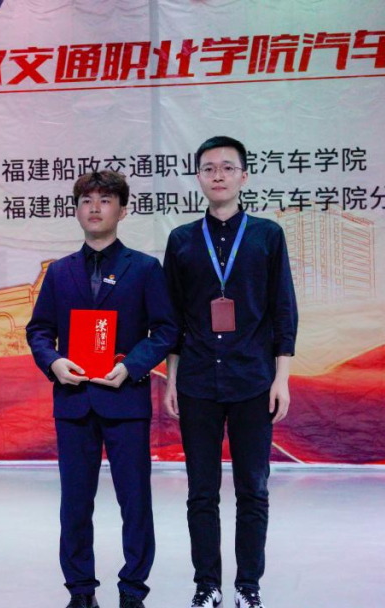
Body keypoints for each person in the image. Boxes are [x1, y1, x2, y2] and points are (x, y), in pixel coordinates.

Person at [26, 171, 178, 608]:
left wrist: (131, 366)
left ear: (123, 210)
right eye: (86, 200)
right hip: (74, 401)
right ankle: (81, 591)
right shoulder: (59, 272)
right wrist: (54, 362)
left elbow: (165, 329)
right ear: (75, 210)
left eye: (106, 200)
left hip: (124, 399)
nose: (95, 207)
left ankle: (133, 590)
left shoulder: (144, 268)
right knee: (75, 503)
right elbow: (39, 330)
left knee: (135, 501)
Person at [162, 136, 299, 608]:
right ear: (198, 178)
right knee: (201, 491)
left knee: (252, 489)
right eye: (208, 168)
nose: (217, 175)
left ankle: (248, 585)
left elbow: (283, 310)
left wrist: (281, 378)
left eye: (226, 167)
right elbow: (173, 318)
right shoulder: (182, 240)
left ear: (244, 176)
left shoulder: (266, 236)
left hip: (253, 380)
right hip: (198, 380)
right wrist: (172, 379)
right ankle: (207, 585)